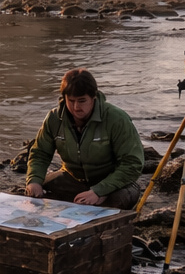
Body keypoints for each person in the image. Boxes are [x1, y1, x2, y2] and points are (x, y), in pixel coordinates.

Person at [25, 68, 144, 209]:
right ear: (64, 98)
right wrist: (34, 180)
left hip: (112, 182)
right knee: (30, 193)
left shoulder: (116, 119)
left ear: (94, 97)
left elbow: (132, 164)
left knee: (117, 200)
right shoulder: (54, 118)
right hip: (72, 178)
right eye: (71, 101)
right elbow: (40, 154)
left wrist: (99, 191)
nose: (76, 107)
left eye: (82, 101)